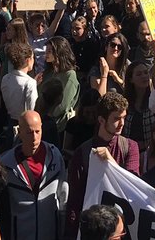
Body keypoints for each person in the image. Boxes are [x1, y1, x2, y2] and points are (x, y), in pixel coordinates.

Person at [64, 92, 140, 240]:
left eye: (124, 117)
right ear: (101, 120)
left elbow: (133, 184)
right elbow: (75, 200)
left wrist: (110, 161)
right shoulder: (83, 153)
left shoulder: (130, 147)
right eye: (116, 119)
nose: (122, 123)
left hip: (120, 228)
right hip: (93, 229)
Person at [0, 111, 66, 240]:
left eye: (37, 131)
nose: (35, 138)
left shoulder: (54, 156)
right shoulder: (6, 163)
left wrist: (64, 229)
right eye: (30, 132)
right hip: (20, 233)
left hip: (50, 232)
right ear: (20, 132)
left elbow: (63, 194)